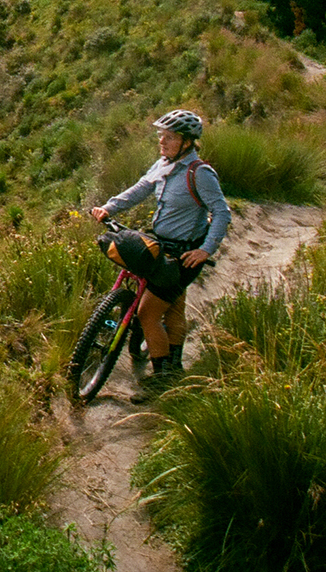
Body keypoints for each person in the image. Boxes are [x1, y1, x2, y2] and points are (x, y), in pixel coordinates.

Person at [91, 109, 230, 401]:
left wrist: (206, 250)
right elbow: (141, 188)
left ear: (188, 142)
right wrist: (110, 207)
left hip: (184, 255)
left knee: (147, 313)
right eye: (161, 136)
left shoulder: (200, 173)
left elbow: (221, 212)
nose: (162, 141)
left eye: (170, 137)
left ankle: (162, 380)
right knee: (174, 306)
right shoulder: (164, 165)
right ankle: (174, 365)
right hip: (163, 245)